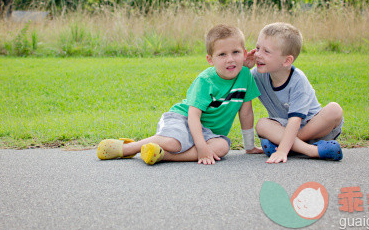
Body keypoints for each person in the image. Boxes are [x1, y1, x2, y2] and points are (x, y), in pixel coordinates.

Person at [97, 24, 262, 165]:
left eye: (236, 52)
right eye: (222, 54)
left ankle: (162, 155)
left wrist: (249, 146)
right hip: (183, 119)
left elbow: (246, 112)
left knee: (222, 147)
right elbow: (193, 116)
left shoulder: (246, 76)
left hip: (209, 132)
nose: (230, 59)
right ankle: (127, 148)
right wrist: (201, 147)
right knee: (174, 143)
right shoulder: (205, 81)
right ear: (210, 59)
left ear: (245, 52)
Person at [245, 22, 344, 163]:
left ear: (287, 60)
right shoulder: (257, 75)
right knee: (262, 124)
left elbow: (295, 120)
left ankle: (288, 145)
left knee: (335, 109)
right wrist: (243, 67)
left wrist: (282, 150)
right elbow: (236, 88)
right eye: (257, 48)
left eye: (266, 51)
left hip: (313, 127)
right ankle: (312, 150)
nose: (258, 55)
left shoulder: (298, 80)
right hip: (284, 128)